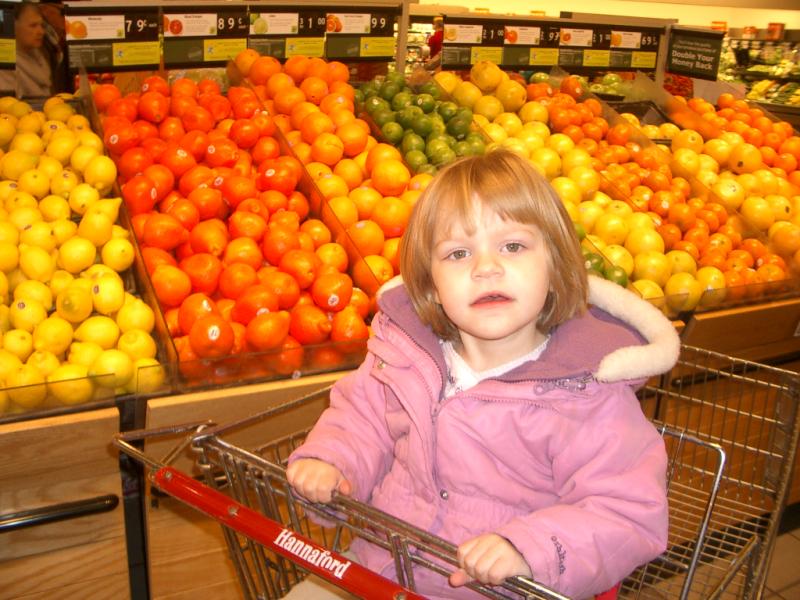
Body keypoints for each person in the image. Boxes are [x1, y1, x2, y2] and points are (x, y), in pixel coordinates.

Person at [287, 150, 679, 599]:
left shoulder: (587, 393)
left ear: (554, 266)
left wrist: (529, 548)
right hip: (378, 566)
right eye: (458, 253)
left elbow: (626, 512)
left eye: (513, 246)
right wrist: (331, 462)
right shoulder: (403, 357)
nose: (486, 267)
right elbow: (362, 420)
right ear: (431, 285)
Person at [6, 2, 64, 98]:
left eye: (41, 25)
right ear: (13, 26)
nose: (41, 32)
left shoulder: (41, 56)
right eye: (33, 26)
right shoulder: (6, 66)